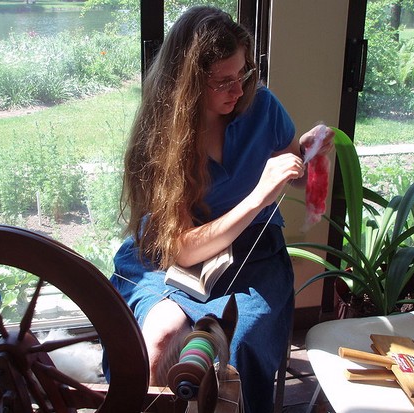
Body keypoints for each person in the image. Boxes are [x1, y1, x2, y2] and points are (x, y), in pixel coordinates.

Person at [109, 6, 334, 413]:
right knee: (160, 341)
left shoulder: (262, 106)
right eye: (223, 81)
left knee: (241, 345)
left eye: (244, 73)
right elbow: (183, 251)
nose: (239, 89)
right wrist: (256, 198)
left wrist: (306, 154)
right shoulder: (161, 136)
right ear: (189, 84)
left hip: (253, 250)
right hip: (171, 253)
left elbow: (289, 173)